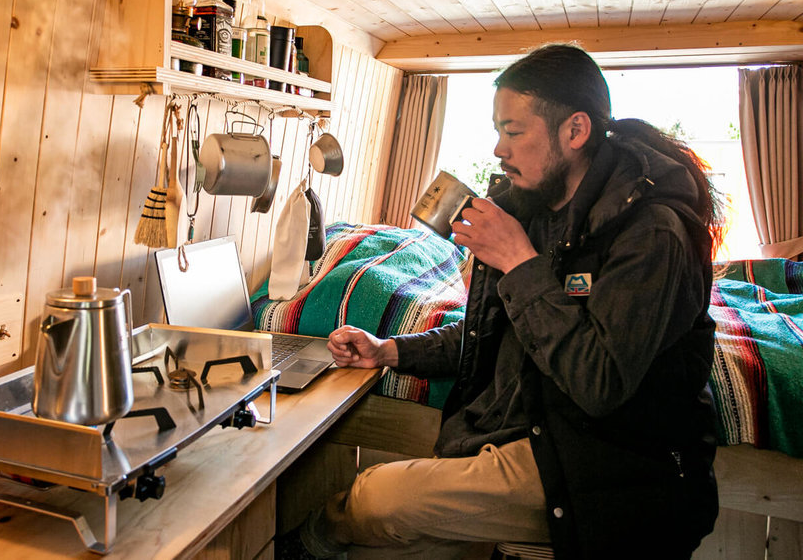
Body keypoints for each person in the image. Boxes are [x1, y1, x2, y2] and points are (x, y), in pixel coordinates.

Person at [297, 44, 721, 559]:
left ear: (575, 131)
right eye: (498, 131)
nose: (499, 149)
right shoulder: (542, 211)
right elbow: (497, 332)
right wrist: (390, 350)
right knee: (392, 547)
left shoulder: (652, 234)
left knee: (371, 499)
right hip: (532, 427)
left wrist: (520, 262)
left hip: (606, 461)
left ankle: (302, 546)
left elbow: (600, 383)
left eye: (513, 132)